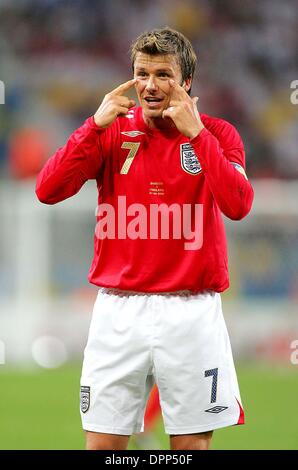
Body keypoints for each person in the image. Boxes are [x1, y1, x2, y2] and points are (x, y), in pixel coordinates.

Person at [36, 27, 254, 450]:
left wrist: (197, 135)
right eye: (142, 73)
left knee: (188, 449)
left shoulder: (219, 134)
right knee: (103, 448)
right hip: (118, 311)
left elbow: (239, 204)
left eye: (163, 74)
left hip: (191, 311)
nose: (150, 85)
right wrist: (93, 125)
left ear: (185, 82)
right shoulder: (111, 131)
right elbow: (47, 190)